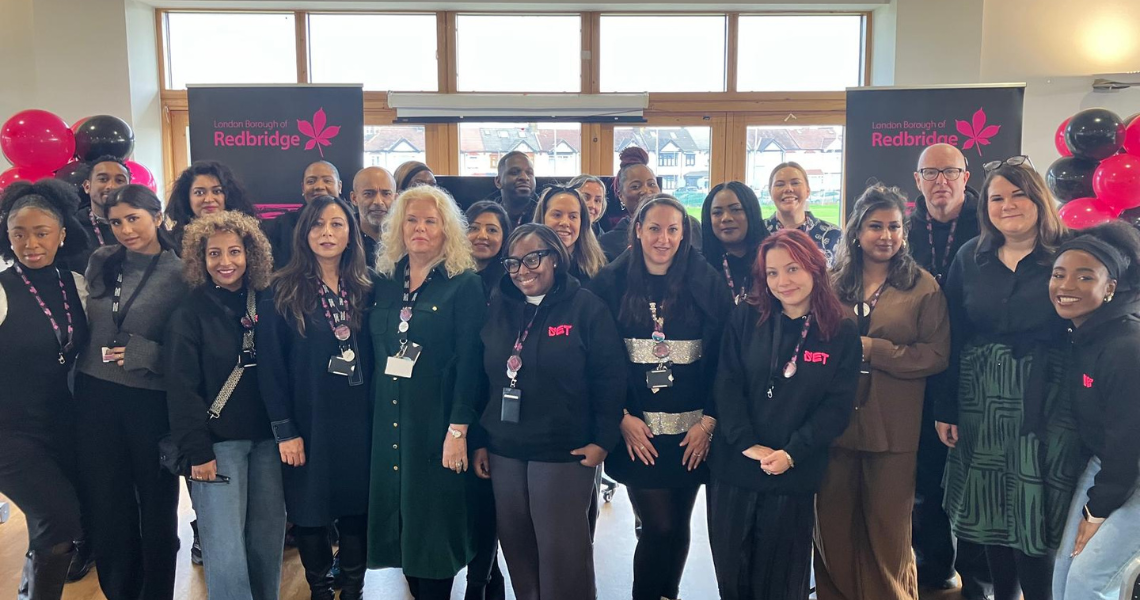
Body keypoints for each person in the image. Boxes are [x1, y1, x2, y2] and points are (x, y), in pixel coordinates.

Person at [936, 157, 1084, 600]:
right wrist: (945, 407)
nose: (1008, 205)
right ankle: (1004, 594)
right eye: (998, 197)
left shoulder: (1071, 253)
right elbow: (952, 334)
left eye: (1019, 194)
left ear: (1039, 198)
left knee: (1037, 507)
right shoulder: (971, 256)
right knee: (991, 508)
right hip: (980, 398)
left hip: (1048, 397)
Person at [589, 194, 733, 600]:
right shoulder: (610, 283)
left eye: (673, 229)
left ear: (684, 234)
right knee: (658, 527)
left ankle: (668, 594)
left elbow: (727, 359)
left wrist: (709, 423)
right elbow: (596, 359)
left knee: (679, 526)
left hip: (693, 437)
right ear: (637, 230)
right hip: (637, 434)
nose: (663, 238)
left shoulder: (707, 283)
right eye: (654, 228)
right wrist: (619, 417)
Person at [472, 223, 626, 600]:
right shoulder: (499, 307)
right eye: (513, 263)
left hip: (565, 451)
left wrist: (603, 441)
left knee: (562, 555)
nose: (523, 270)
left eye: (533, 259)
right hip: (504, 448)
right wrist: (478, 440)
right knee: (517, 548)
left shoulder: (586, 307)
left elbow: (611, 378)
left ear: (555, 258)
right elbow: (481, 378)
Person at [814, 185, 950, 600]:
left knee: (889, 530)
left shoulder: (923, 287)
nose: (885, 235)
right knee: (832, 525)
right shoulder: (831, 283)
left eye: (894, 227)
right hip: (833, 425)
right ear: (857, 231)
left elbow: (936, 355)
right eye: (876, 226)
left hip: (894, 427)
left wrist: (877, 350)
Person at [709, 229, 860, 600]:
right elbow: (726, 383)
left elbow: (837, 407)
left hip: (794, 470)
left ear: (814, 267)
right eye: (772, 273)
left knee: (780, 582)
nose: (782, 282)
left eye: (792, 269)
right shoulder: (746, 317)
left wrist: (793, 452)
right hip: (736, 466)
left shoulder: (840, 330)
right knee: (733, 575)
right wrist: (746, 443)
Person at [368, 185, 486, 599]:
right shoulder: (383, 283)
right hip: (390, 428)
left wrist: (458, 431)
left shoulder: (464, 284)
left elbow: (472, 364)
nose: (420, 229)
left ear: (446, 230)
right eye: (411, 220)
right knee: (403, 533)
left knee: (436, 529)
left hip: (436, 425)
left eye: (430, 221)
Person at [257, 195, 374, 600]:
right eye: (317, 225)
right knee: (310, 511)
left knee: (356, 508)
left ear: (351, 233)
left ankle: (354, 588)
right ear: (303, 233)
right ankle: (320, 590)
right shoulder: (280, 291)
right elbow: (270, 370)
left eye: (337, 224)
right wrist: (285, 430)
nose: (327, 233)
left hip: (360, 422)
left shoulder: (367, 288)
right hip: (307, 422)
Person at [165, 211, 286, 600]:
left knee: (267, 539)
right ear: (200, 259)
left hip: (268, 442)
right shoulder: (189, 312)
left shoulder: (267, 302)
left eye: (234, 251)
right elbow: (181, 388)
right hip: (216, 447)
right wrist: (197, 450)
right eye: (214, 253)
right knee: (225, 548)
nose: (225, 261)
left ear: (251, 255)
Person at [74, 184, 186, 600]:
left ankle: (156, 592)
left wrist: (150, 354)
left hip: (149, 400)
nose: (124, 229)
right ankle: (118, 590)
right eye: (116, 221)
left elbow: (194, 346)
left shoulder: (181, 271)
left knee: (155, 505)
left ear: (157, 217)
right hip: (94, 396)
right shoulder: (101, 260)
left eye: (133, 218)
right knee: (107, 501)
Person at [907, 143, 990, 598]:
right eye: (931, 173)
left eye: (950, 172)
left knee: (977, 478)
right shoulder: (900, 229)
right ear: (916, 180)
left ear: (965, 176)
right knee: (925, 478)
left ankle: (981, 577)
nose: (941, 181)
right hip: (920, 373)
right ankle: (935, 566)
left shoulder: (991, 223)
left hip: (979, 373)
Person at [0, 179, 90, 600]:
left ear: (62, 234)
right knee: (58, 521)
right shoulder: (1, 288)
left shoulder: (77, 284)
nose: (29, 243)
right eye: (18, 233)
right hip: (10, 434)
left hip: (63, 428)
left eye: (41, 233)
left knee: (67, 525)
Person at [1049, 222, 1140, 600]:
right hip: (1108, 465)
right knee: (1062, 577)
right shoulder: (1083, 333)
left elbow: (1127, 443)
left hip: (1129, 469)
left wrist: (1096, 512)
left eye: (1084, 276)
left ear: (1110, 288)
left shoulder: (1125, 347)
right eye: (1059, 274)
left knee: (1087, 583)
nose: (1066, 286)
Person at [598, 147, 702, 259]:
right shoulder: (608, 243)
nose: (646, 191)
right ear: (621, 196)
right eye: (635, 186)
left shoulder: (689, 226)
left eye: (651, 184)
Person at [264, 161, 343, 269]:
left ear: (339, 187)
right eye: (311, 181)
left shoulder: (351, 223)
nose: (319, 186)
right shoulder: (283, 225)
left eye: (327, 181)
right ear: (303, 188)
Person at [701, 181, 768, 305]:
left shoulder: (771, 260)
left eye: (736, 210)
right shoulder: (699, 267)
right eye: (717, 212)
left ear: (751, 213)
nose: (726, 218)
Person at [165, 160, 260, 247]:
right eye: (199, 193)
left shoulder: (247, 236)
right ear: (186, 197)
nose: (209, 199)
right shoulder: (172, 243)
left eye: (217, 191)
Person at [764, 162, 841, 266]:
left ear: (808, 190)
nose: (788, 189)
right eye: (780, 184)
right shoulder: (757, 232)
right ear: (770, 192)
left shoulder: (833, 234)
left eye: (795, 183)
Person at [66, 156, 130, 272]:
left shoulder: (141, 225)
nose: (111, 186)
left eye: (119, 181)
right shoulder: (71, 228)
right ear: (87, 186)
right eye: (103, 179)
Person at [534, 186, 607, 283]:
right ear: (542, 218)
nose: (565, 222)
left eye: (573, 216)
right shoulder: (526, 264)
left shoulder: (599, 269)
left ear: (582, 222)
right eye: (557, 215)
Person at [350, 166, 397, 266]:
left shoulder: (406, 239)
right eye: (369, 194)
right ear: (354, 198)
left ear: (396, 198)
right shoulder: (343, 238)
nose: (378, 202)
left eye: (386, 194)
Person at [466, 201, 511, 299]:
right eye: (474, 228)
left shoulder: (511, 282)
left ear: (504, 237)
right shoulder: (447, 275)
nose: (482, 236)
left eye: (492, 230)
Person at [494, 151, 538, 228]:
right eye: (514, 172)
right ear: (498, 182)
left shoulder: (546, 214)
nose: (524, 177)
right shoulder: (486, 215)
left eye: (529, 173)